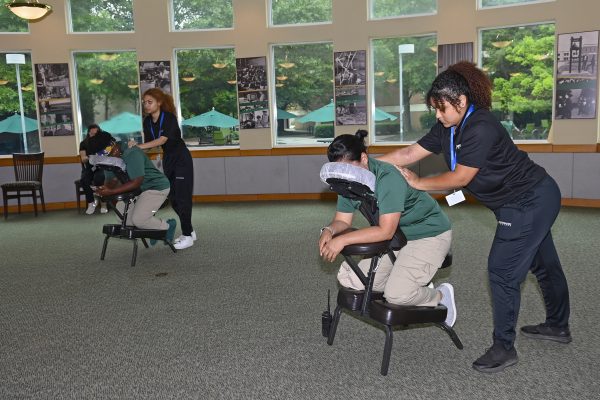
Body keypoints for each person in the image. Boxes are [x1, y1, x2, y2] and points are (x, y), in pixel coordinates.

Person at [378, 61, 571, 373]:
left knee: (501, 271)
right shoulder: (446, 128)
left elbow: (460, 178)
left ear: (461, 101)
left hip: (529, 200)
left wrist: (418, 182)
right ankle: (558, 325)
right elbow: (406, 155)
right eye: (435, 110)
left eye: (441, 109)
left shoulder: (481, 126)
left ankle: (503, 347)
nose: (437, 116)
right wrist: (366, 168)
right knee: (544, 263)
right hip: (527, 200)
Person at [319, 131, 456, 327]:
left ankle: (440, 295)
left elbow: (385, 231)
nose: (344, 173)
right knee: (350, 279)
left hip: (428, 233)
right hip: (397, 237)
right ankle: (409, 282)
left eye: (349, 167)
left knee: (398, 295)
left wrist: (342, 240)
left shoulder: (388, 177)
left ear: (364, 158)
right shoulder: (346, 179)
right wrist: (330, 230)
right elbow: (342, 220)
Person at [130, 88, 195, 250]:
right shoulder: (147, 122)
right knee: (173, 200)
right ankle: (191, 231)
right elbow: (151, 146)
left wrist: (139, 146)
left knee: (182, 198)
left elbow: (162, 139)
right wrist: (133, 146)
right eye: (144, 102)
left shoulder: (169, 118)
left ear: (159, 102)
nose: (146, 105)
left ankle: (187, 236)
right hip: (168, 160)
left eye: (150, 102)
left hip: (181, 159)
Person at [95, 141, 176, 241]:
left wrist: (111, 192)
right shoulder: (109, 158)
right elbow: (112, 181)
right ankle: (154, 228)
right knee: (123, 218)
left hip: (155, 187)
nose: (108, 159)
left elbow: (136, 182)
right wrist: (104, 188)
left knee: (139, 220)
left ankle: (167, 225)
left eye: (109, 156)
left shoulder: (132, 153)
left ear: (115, 149)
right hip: (138, 190)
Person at [79, 124, 114, 215]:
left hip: (104, 165)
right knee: (84, 179)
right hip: (90, 166)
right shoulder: (84, 143)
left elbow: (111, 149)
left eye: (97, 132)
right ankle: (91, 203)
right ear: (89, 132)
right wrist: (86, 158)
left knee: (100, 177)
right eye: (92, 131)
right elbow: (83, 157)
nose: (95, 134)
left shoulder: (105, 140)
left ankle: (103, 203)